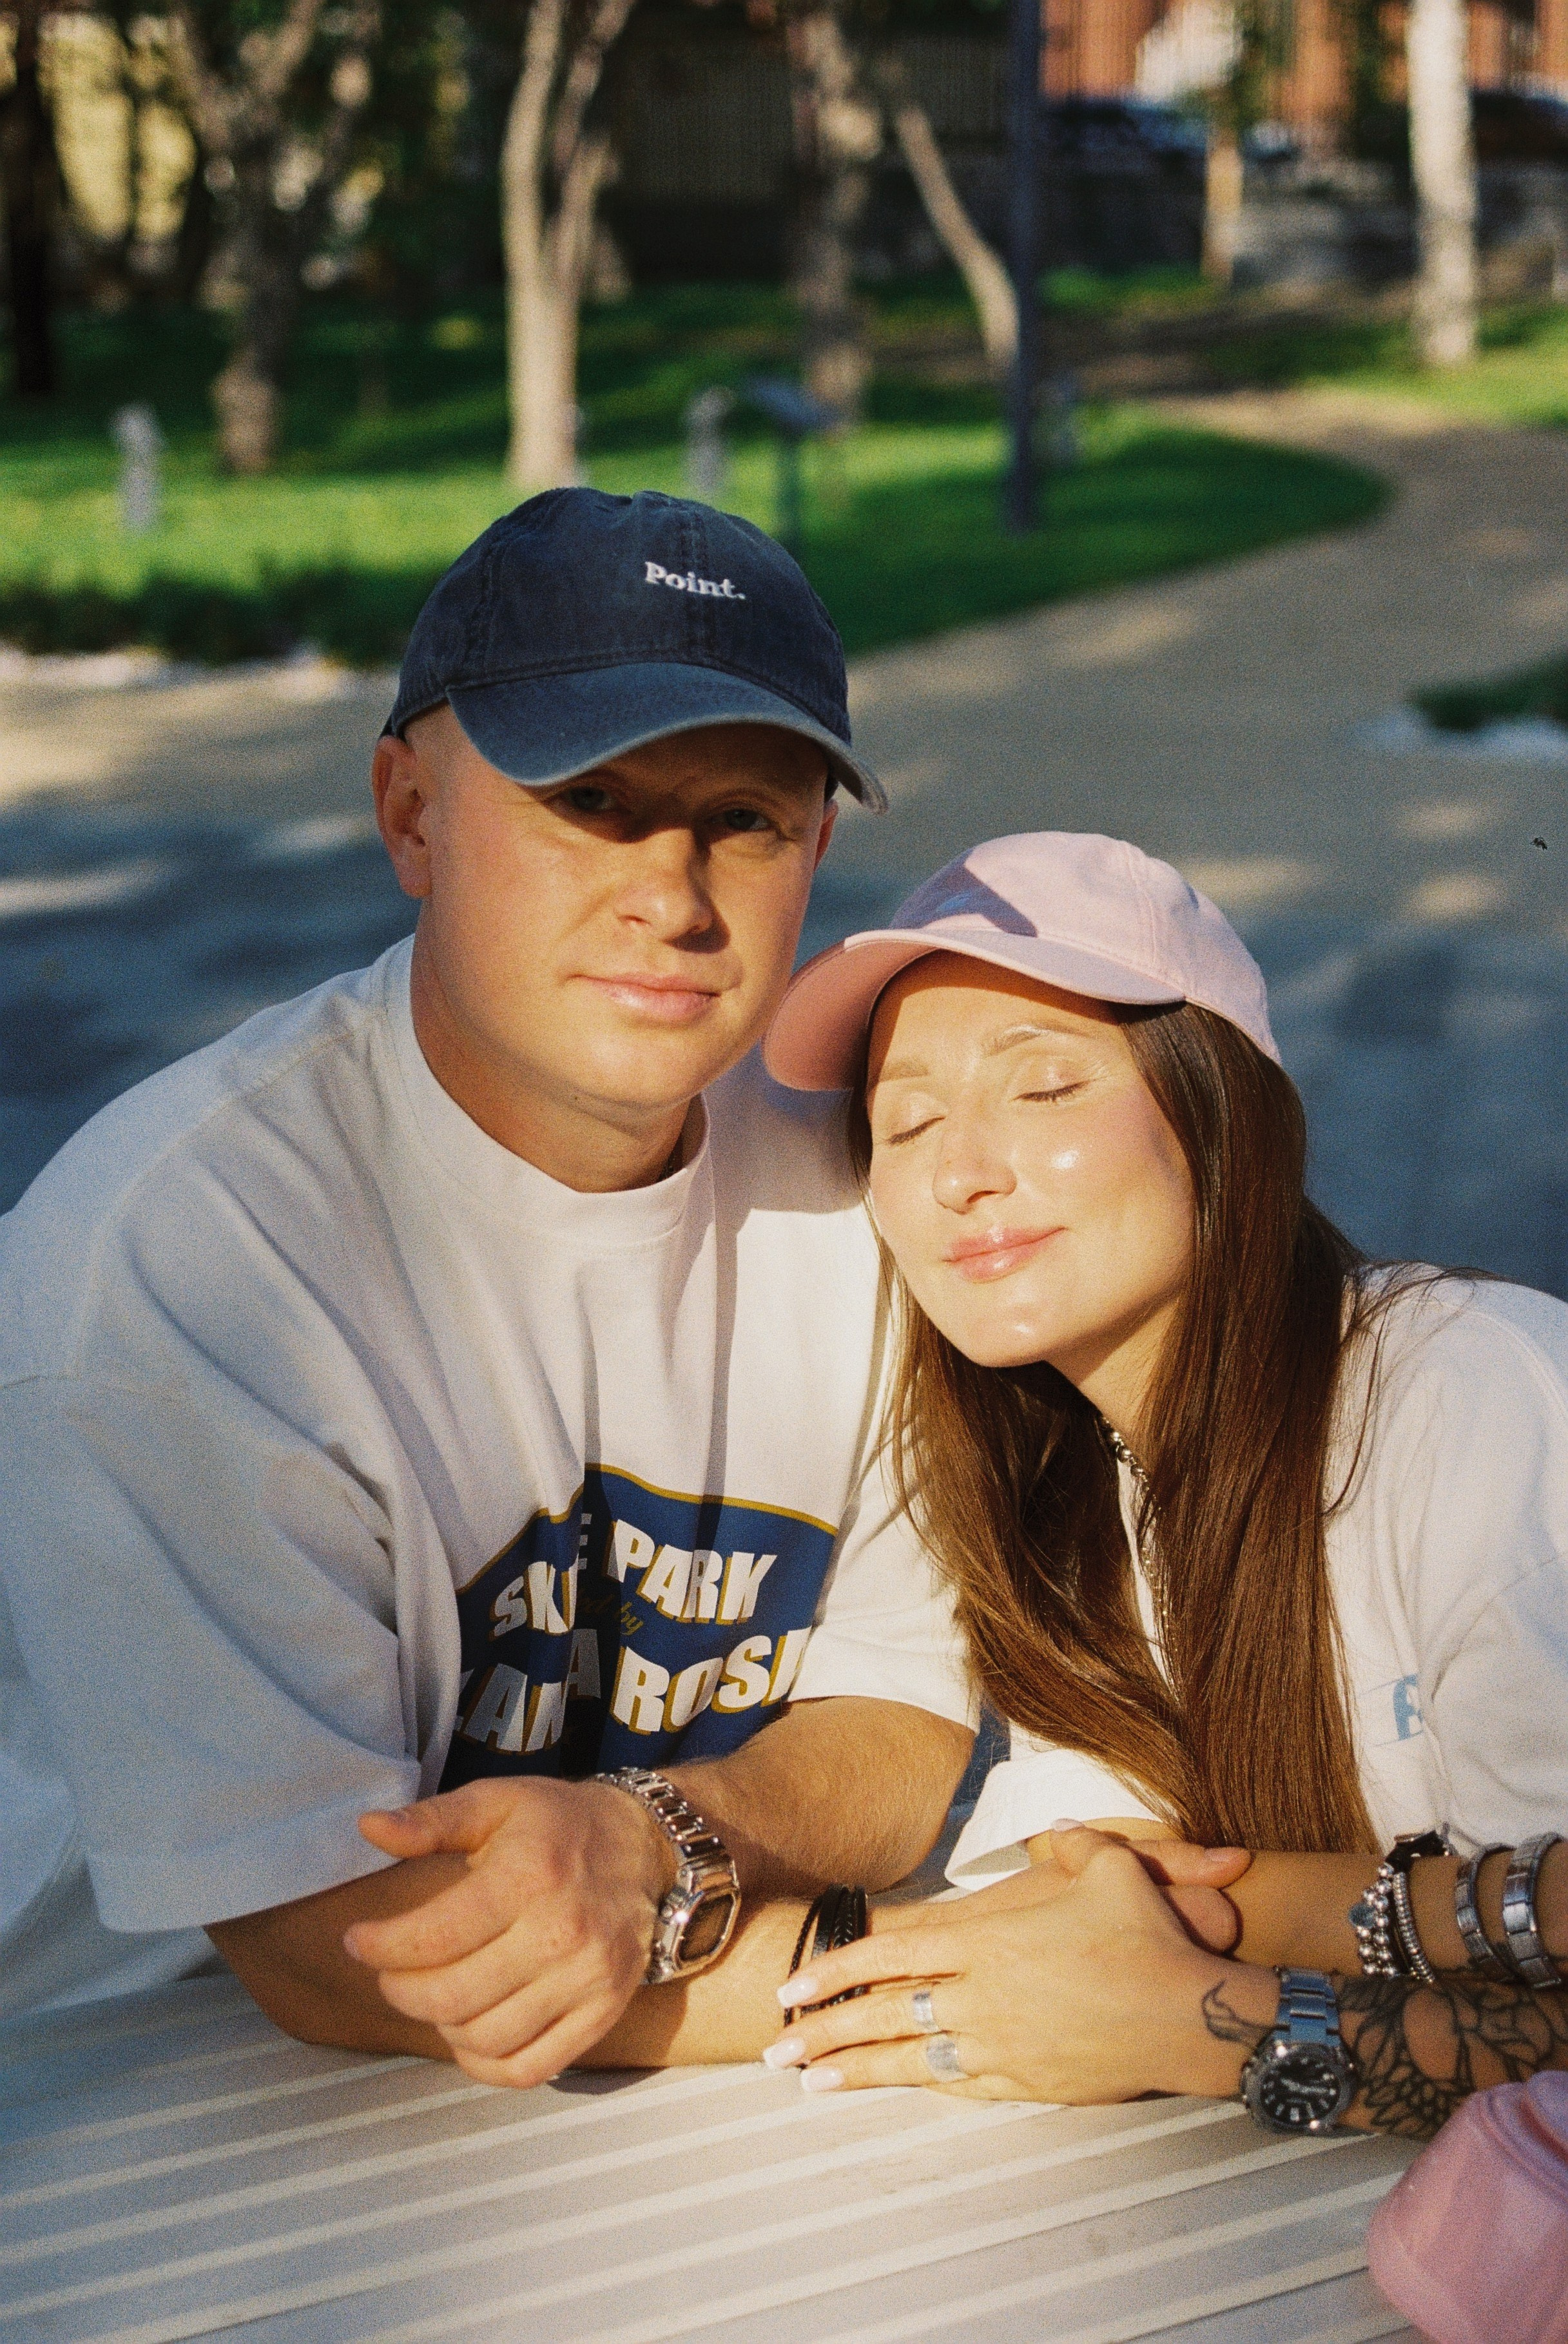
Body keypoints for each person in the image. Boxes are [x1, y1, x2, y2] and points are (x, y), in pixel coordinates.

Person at [0, 489, 976, 2076]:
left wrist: (653, 1838)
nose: (672, 895)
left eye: (747, 817)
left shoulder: (868, 1195)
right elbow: (340, 1951)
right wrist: (955, 1981)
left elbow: (905, 1731)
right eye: (589, 799)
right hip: (129, 2092)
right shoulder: (177, 1262)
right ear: (408, 813)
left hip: (667, 2072)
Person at [742, 831, 1568, 2139]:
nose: (963, 1171)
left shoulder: (1472, 1400)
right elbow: (1103, 1911)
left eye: (1045, 1086)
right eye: (905, 1122)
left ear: (1215, 1106)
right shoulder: (1067, 1505)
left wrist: (1203, 2025)